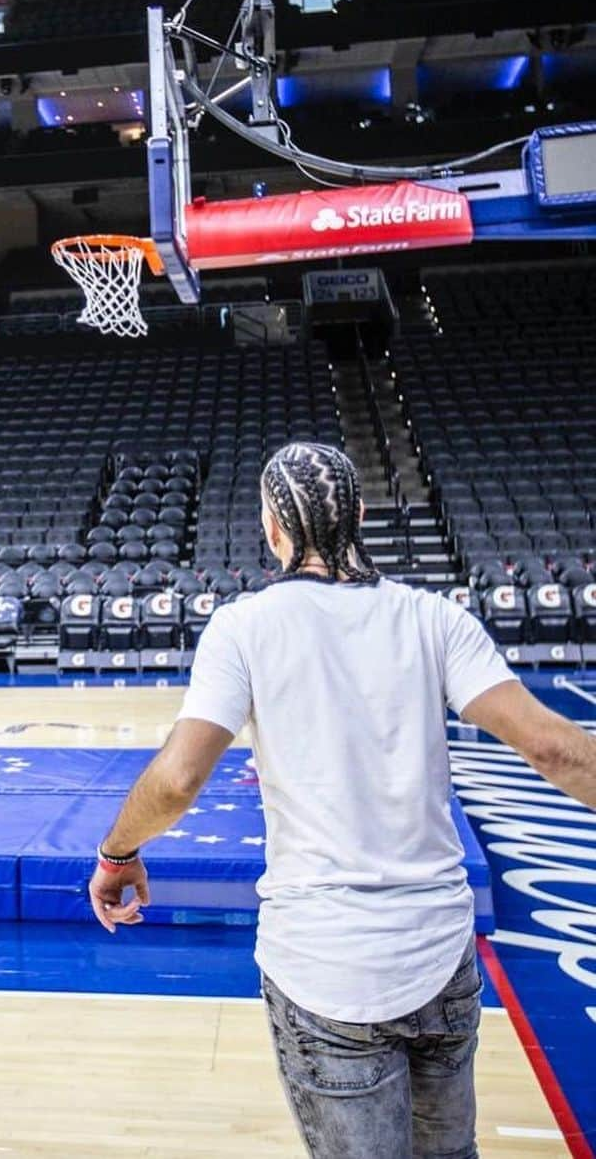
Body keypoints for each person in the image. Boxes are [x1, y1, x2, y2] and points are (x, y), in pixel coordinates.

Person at [89, 440, 596, 1159]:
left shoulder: (245, 627)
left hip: (325, 969)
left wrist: (117, 853)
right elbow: (553, 748)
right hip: (438, 954)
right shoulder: (435, 618)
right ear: (359, 515)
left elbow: (177, 781)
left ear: (271, 526)